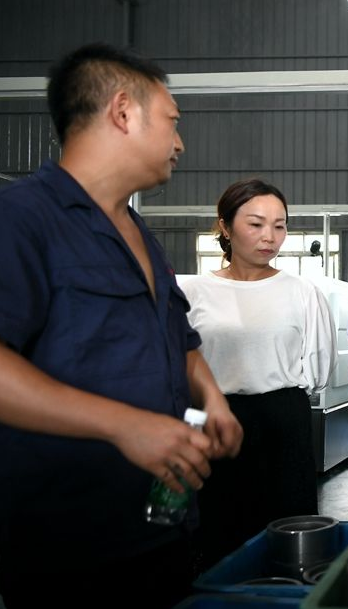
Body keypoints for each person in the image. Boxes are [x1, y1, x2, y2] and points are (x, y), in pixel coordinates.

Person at [0, 43, 243, 609]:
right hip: (70, 545)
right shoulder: (22, 220)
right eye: (172, 122)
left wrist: (211, 396)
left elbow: (179, 339)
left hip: (159, 524)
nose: (180, 143)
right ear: (123, 112)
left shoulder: (139, 234)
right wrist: (124, 427)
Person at [182, 178, 336, 571]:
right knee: (219, 530)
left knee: (287, 533)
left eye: (279, 225)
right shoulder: (193, 292)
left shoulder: (302, 292)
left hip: (283, 420)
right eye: (255, 224)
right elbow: (182, 362)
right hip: (216, 421)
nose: (270, 236)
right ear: (225, 226)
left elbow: (318, 367)